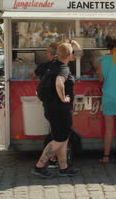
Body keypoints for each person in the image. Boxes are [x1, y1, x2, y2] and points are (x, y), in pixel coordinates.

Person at [31, 42, 79, 178]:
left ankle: (64, 167)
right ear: (69, 55)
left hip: (51, 107)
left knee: (62, 137)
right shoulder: (63, 68)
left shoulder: (53, 64)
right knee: (59, 139)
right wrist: (63, 98)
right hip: (60, 109)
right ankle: (39, 166)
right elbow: (59, 82)